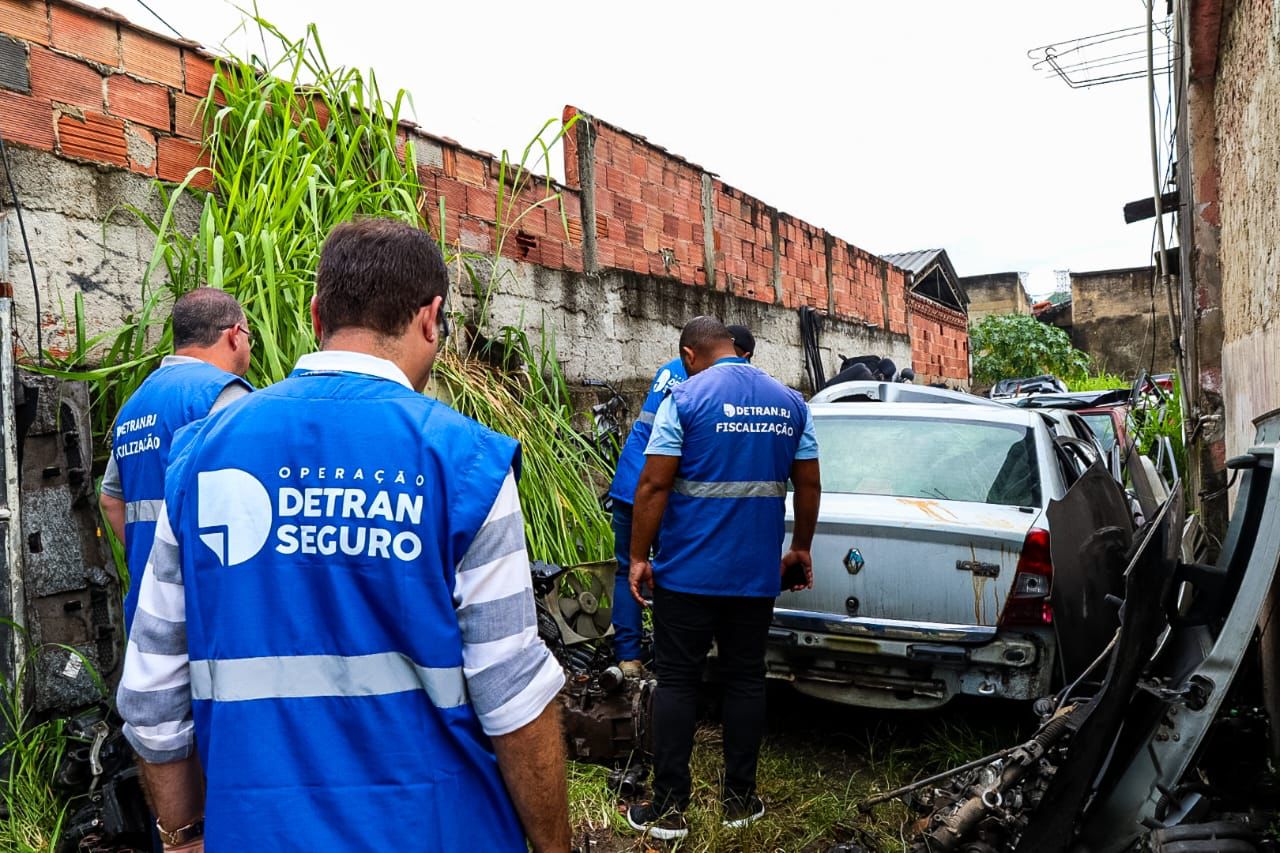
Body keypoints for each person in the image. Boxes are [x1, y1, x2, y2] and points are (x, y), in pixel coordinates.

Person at [116, 219, 571, 852]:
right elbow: (515, 697)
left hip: (256, 832)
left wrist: (185, 834)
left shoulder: (199, 459)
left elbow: (151, 695)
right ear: (432, 317)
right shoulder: (464, 461)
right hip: (437, 830)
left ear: (315, 313)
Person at [625, 317, 821, 840]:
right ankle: (739, 801)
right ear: (734, 347)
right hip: (754, 577)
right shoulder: (791, 403)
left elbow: (652, 486)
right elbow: (808, 484)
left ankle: (668, 810)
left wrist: (638, 557)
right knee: (745, 680)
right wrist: (799, 547)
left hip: (687, 575)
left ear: (690, 353)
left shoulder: (684, 399)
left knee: (678, 681)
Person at [99, 288, 253, 635]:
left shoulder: (136, 403)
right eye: (249, 336)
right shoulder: (224, 394)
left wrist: (156, 559)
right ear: (233, 335)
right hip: (207, 602)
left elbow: (110, 500)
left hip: (146, 604)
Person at [606, 353, 688, 677]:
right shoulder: (707, 379)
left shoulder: (670, 368)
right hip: (659, 488)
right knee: (669, 572)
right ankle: (670, 659)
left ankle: (628, 659)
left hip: (630, 482)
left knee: (627, 569)